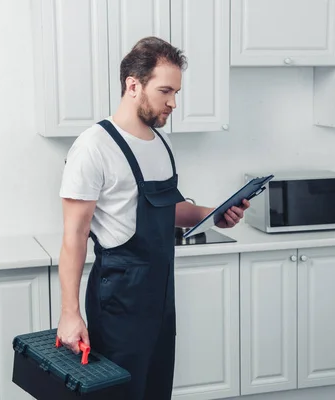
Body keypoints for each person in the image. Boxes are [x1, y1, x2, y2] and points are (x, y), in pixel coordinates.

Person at [56, 36, 250, 400]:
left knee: (156, 390)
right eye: (165, 91)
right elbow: (74, 236)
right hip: (118, 298)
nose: (173, 102)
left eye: (176, 92)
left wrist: (214, 214)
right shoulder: (93, 147)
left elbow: (167, 208)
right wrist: (70, 313)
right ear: (133, 85)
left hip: (161, 295)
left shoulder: (161, 143)